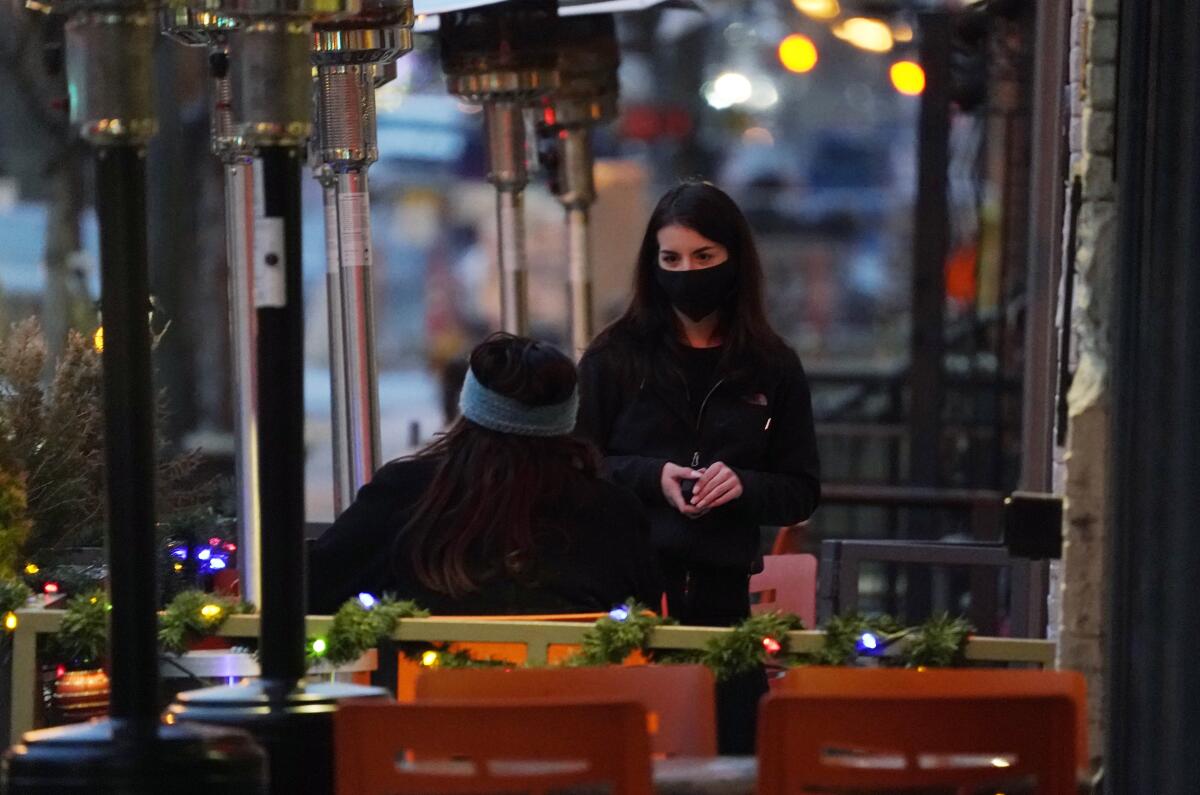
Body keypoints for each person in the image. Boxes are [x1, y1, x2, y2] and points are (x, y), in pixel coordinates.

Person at [576, 181, 821, 628]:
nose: (687, 272)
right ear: (653, 265)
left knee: (731, 698)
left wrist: (742, 486)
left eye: (704, 257)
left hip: (726, 599)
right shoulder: (613, 356)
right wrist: (653, 477)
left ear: (735, 260)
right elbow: (574, 467)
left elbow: (801, 491)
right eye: (671, 259)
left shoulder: (771, 364)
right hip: (624, 598)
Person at [309, 333, 661, 616]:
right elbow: (641, 616)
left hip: (424, 697)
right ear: (567, 419)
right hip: (582, 698)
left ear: (468, 409)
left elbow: (315, 590)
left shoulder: (405, 495)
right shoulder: (613, 511)